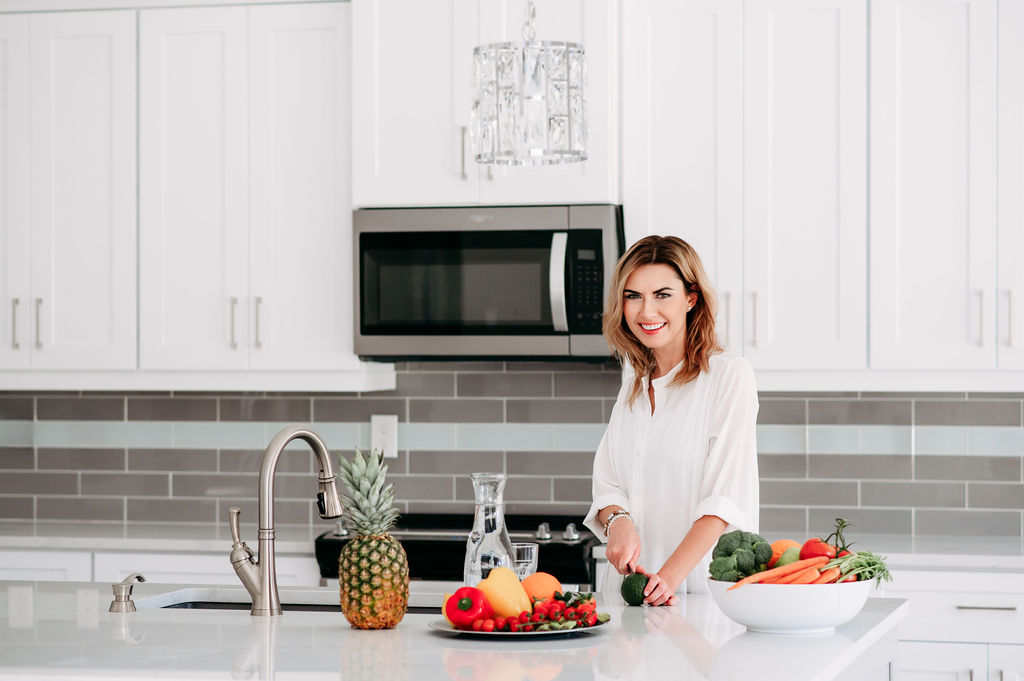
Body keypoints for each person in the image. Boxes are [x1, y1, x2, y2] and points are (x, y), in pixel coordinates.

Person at [582, 235, 759, 606]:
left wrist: (666, 580)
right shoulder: (633, 385)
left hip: (699, 596)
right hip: (629, 597)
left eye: (662, 295)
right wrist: (618, 523)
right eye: (633, 296)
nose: (646, 312)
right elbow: (608, 484)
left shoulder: (728, 376)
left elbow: (723, 501)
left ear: (691, 298)